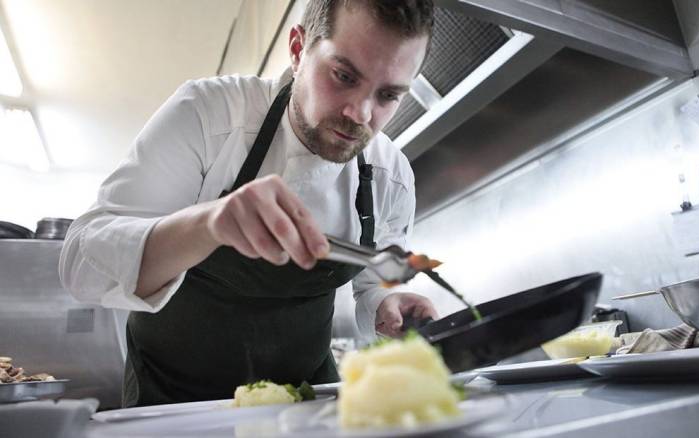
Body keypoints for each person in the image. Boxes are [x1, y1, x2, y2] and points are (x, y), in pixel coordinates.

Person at [60, 0, 438, 407]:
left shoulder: (390, 176)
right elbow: (81, 263)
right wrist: (208, 226)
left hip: (302, 401)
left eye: (388, 95)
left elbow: (373, 285)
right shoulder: (208, 115)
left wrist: (387, 303)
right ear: (298, 49)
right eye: (343, 76)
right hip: (173, 400)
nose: (360, 114)